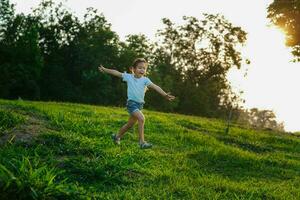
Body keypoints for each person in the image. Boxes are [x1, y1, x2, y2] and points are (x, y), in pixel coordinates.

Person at [98, 58, 175, 149]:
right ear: (133, 69)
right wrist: (105, 70)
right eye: (139, 68)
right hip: (131, 104)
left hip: (139, 105)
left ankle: (117, 137)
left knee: (129, 125)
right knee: (142, 118)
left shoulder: (145, 80)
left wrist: (165, 94)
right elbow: (116, 73)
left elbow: (155, 87)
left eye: (144, 68)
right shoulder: (129, 77)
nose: (142, 70)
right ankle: (142, 142)